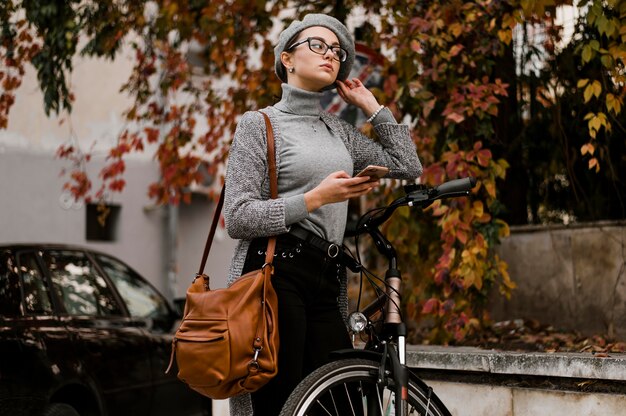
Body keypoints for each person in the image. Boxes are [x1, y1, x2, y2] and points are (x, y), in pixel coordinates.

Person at [223, 13, 422, 416]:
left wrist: (370, 105)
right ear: (287, 59)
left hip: (327, 277)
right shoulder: (259, 124)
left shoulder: (339, 130)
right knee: (278, 401)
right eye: (317, 45)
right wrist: (314, 199)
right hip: (275, 273)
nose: (330, 53)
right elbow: (238, 216)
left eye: (336, 50)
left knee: (338, 401)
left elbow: (407, 165)